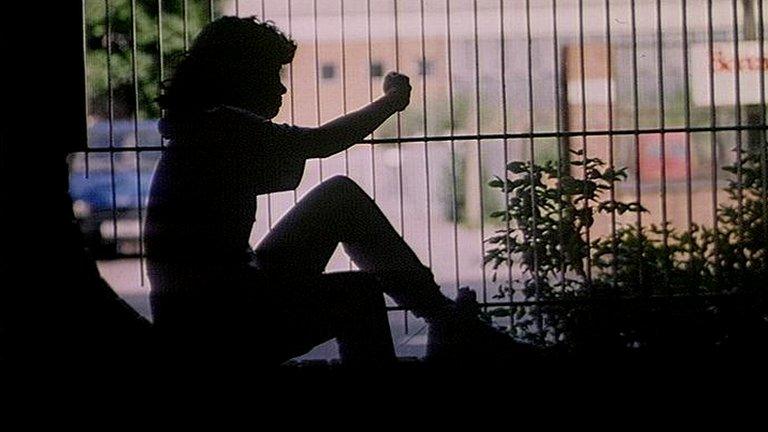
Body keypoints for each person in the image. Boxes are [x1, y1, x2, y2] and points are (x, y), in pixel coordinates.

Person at [145, 16, 524, 368]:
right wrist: (392, 101)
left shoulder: (197, 131)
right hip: (219, 330)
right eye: (270, 74)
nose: (281, 87)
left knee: (339, 199)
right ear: (239, 75)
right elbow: (323, 142)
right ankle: (446, 323)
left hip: (202, 316)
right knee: (356, 290)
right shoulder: (225, 128)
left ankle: (445, 320)